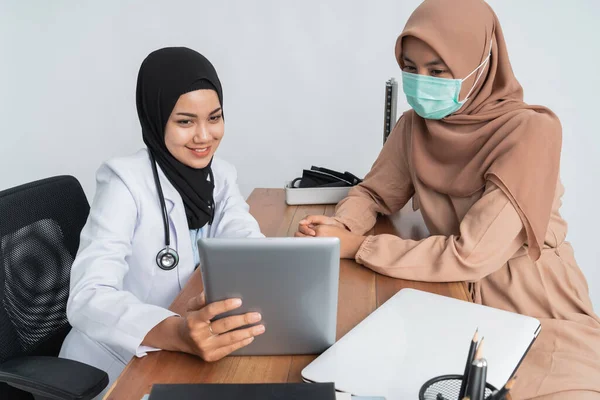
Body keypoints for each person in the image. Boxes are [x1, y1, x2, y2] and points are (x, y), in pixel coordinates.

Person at [296, 0, 600, 398]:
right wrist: (343, 224)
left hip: (534, 306)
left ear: (480, 64)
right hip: (451, 296)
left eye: (437, 71)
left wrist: (360, 246)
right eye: (410, 68)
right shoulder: (413, 127)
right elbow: (373, 191)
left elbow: (472, 254)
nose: (421, 82)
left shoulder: (531, 133)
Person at [59, 47, 266, 391]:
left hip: (187, 349)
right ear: (155, 118)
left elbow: (241, 234)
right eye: (185, 121)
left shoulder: (220, 175)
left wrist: (271, 271)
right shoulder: (124, 182)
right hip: (117, 364)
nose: (204, 136)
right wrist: (178, 332)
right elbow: (88, 296)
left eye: (214, 118)